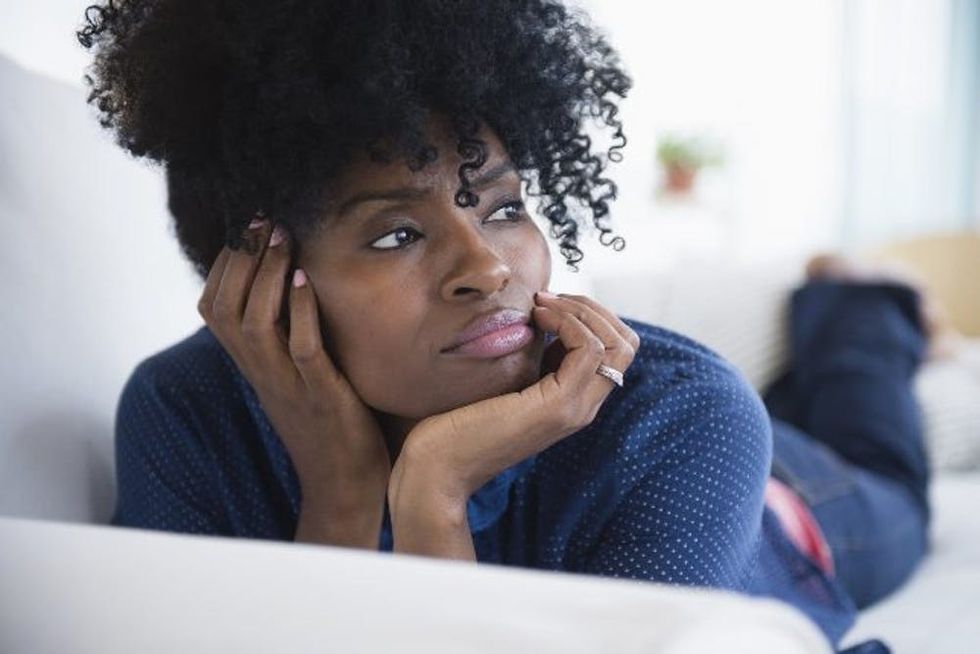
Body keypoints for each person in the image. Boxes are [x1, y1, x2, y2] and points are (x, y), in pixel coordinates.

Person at [77, 1, 932, 649]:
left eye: (501, 207)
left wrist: (432, 489)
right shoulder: (185, 414)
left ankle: (860, 300)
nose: (487, 269)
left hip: (795, 514)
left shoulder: (683, 417)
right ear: (262, 271)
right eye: (397, 234)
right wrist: (344, 492)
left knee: (880, 452)